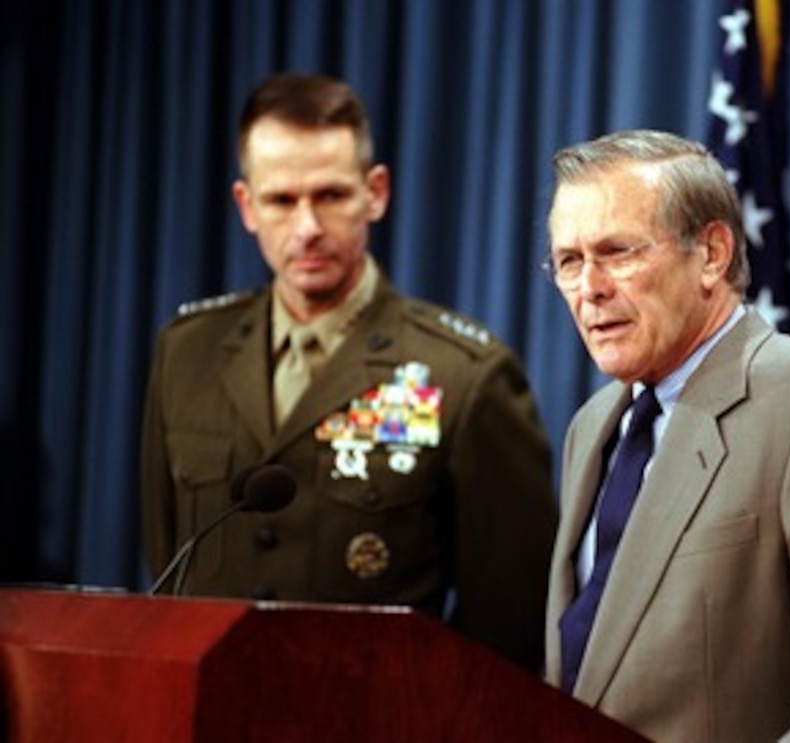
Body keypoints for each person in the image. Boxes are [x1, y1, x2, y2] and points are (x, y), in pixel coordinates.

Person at [541, 130, 790, 742]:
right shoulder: (593, 426)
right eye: (570, 261)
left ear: (710, 254)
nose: (589, 288)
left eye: (618, 252)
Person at [140, 72, 557, 673]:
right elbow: (170, 562)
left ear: (376, 192)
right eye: (282, 200)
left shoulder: (465, 374)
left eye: (331, 196)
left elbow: (508, 629)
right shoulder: (188, 353)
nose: (307, 227)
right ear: (246, 206)